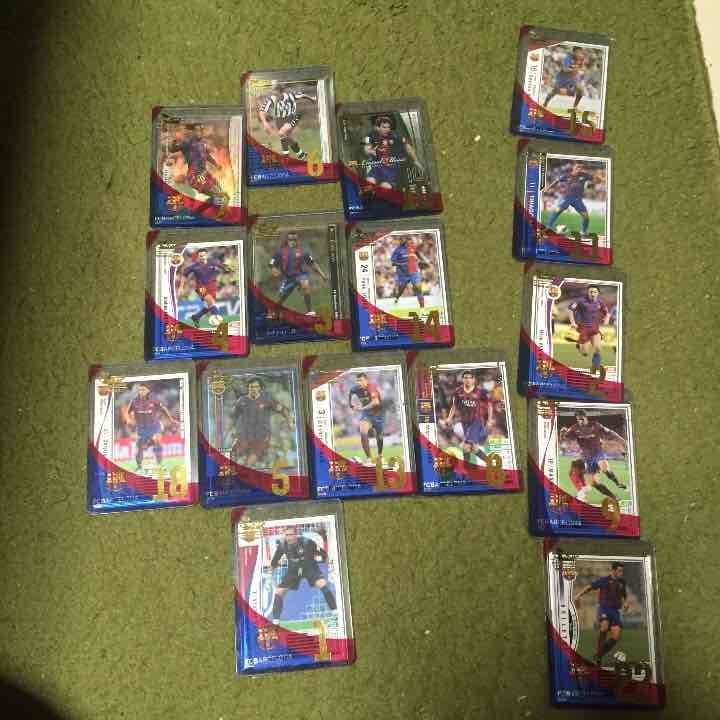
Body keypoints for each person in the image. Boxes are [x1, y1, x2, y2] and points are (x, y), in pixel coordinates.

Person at [268, 527, 336, 621]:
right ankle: (275, 621)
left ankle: (335, 611)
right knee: (279, 592)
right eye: (287, 535)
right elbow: (274, 562)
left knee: (322, 584)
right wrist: (269, 575)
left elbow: (324, 555)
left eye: (291, 535)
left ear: (296, 535)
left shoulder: (307, 543)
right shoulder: (283, 545)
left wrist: (331, 569)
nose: (288, 538)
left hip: (310, 568)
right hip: (293, 571)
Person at [560, 409, 627, 504]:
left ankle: (618, 483)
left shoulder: (595, 425)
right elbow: (566, 438)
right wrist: (563, 433)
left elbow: (610, 433)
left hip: (598, 452)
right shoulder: (574, 428)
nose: (580, 421)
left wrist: (621, 439)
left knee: (604, 467)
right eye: (578, 419)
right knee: (594, 483)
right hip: (587, 457)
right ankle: (614, 497)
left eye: (582, 419)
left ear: (586, 417)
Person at [574, 562, 628, 665]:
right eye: (619, 571)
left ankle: (599, 655)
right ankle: (599, 657)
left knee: (616, 635)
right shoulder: (604, 580)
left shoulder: (622, 582)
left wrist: (625, 602)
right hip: (604, 609)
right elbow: (589, 587)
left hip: (615, 611)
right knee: (604, 627)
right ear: (613, 570)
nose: (621, 573)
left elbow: (624, 594)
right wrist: (578, 595)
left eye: (622, 571)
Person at [270, 232, 328, 316]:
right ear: (287, 240)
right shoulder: (280, 252)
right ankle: (274, 311)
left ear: (297, 240)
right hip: (288, 278)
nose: (292, 241)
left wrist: (322, 275)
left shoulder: (303, 251)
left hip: (300, 275)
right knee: (282, 297)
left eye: (294, 239)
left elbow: (312, 263)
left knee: (305, 284)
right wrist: (274, 269)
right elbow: (272, 263)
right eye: (290, 239)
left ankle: (310, 311)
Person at [126, 384, 178, 472]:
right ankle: (139, 466)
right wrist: (128, 420)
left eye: (143, 390)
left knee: (158, 442)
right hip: (141, 428)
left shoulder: (154, 399)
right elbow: (128, 412)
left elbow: (163, 409)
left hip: (154, 426)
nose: (141, 391)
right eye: (140, 390)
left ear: (148, 391)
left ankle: (159, 465)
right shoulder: (134, 401)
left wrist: (171, 419)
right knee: (139, 447)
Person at [180, 249, 232, 328]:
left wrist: (228, 268)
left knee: (209, 306)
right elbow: (184, 274)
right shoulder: (194, 266)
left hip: (212, 287)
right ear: (198, 256)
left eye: (203, 255)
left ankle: (196, 317)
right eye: (200, 256)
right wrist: (181, 287)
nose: (202, 257)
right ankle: (217, 317)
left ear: (206, 255)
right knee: (210, 301)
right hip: (200, 287)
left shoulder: (212, 262)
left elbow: (222, 266)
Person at [348, 373, 385, 466]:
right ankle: (369, 459)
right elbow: (350, 398)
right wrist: (352, 405)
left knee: (379, 436)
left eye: (361, 380)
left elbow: (376, 402)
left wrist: (362, 408)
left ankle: (380, 455)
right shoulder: (354, 389)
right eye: (357, 381)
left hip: (378, 414)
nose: (358, 382)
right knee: (363, 433)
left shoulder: (371, 387)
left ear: (366, 381)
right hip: (366, 415)